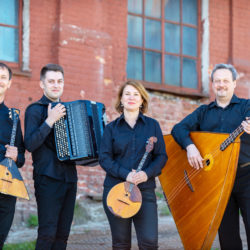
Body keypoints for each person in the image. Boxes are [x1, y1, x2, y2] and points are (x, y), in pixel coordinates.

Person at [171, 63, 250, 250]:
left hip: (246, 177)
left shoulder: (247, 107)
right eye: (217, 81)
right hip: (218, 181)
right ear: (213, 84)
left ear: (234, 83)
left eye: (225, 81)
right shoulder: (203, 112)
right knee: (227, 235)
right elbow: (178, 129)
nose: (221, 84)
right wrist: (190, 147)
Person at [99, 80, 168, 250]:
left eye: (136, 94)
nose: (131, 97)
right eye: (127, 94)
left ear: (142, 100)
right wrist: (125, 174)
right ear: (121, 100)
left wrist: (146, 174)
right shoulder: (111, 129)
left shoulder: (153, 126)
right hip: (116, 191)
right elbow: (104, 158)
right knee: (121, 243)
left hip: (144, 191)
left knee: (149, 243)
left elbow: (161, 157)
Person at [24, 64, 77, 250]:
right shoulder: (34, 110)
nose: (56, 85)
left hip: (69, 178)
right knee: (47, 234)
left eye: (59, 81)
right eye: (51, 81)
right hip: (47, 179)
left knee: (62, 236)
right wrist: (50, 120)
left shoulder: (69, 110)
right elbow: (30, 144)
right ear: (42, 84)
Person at [0, 62, 25, 249]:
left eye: (3, 78)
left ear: (9, 83)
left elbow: (22, 158)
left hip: (5, 189)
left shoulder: (13, 118)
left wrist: (16, 156)